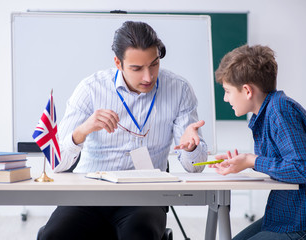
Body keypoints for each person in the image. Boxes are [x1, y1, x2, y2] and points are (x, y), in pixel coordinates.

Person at [40, 21, 208, 240]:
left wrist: (191, 147)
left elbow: (195, 168)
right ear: (118, 63)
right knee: (54, 235)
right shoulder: (90, 89)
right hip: (89, 194)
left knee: (139, 234)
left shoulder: (179, 89)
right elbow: (57, 164)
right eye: (137, 69)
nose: (148, 77)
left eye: (154, 64)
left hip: (145, 197)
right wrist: (82, 131)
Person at [211, 44, 306, 240]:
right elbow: (284, 164)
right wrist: (242, 163)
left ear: (247, 90)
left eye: (227, 91)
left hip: (304, 223)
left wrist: (252, 160)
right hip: (286, 216)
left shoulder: (280, 111)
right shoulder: (269, 111)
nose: (226, 99)